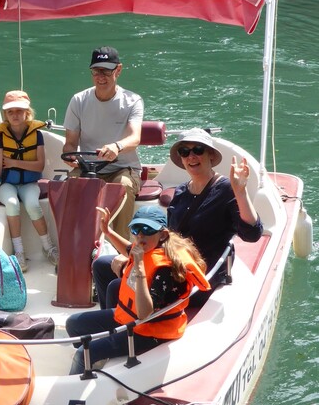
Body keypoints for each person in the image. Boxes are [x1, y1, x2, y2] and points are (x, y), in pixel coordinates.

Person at [92, 127, 263, 308]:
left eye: (198, 150)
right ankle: (116, 319)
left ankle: (122, 330)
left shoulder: (227, 189)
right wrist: (131, 257)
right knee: (102, 266)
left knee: (116, 286)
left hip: (196, 275)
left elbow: (252, 234)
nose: (191, 156)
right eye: (185, 151)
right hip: (169, 265)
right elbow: (165, 241)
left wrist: (240, 192)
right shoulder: (181, 192)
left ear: (211, 155)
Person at [66, 206, 210, 374]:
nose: (140, 236)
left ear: (162, 235)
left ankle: (81, 378)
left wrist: (140, 268)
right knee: (73, 324)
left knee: (84, 353)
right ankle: (96, 363)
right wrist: (108, 232)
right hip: (128, 319)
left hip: (150, 332)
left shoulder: (166, 270)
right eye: (136, 229)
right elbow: (128, 249)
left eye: (148, 230)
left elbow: (144, 314)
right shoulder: (148, 247)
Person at [63, 46, 143, 239]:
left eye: (106, 71)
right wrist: (72, 156)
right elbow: (70, 143)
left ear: (118, 70)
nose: (101, 76)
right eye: (96, 71)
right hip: (88, 167)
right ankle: (73, 245)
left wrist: (117, 147)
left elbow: (135, 138)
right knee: (69, 185)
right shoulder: (78, 100)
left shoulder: (132, 101)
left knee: (122, 186)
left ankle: (121, 251)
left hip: (123, 167)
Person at [0, 90, 58, 272]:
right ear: (6, 115)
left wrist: (12, 162)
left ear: (27, 113)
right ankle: (19, 252)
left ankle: (48, 247)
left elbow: (39, 165)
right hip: (6, 184)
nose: (15, 115)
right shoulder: (0, 138)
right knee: (12, 204)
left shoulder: (37, 135)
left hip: (29, 183)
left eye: (19, 111)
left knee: (33, 205)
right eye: (10, 112)